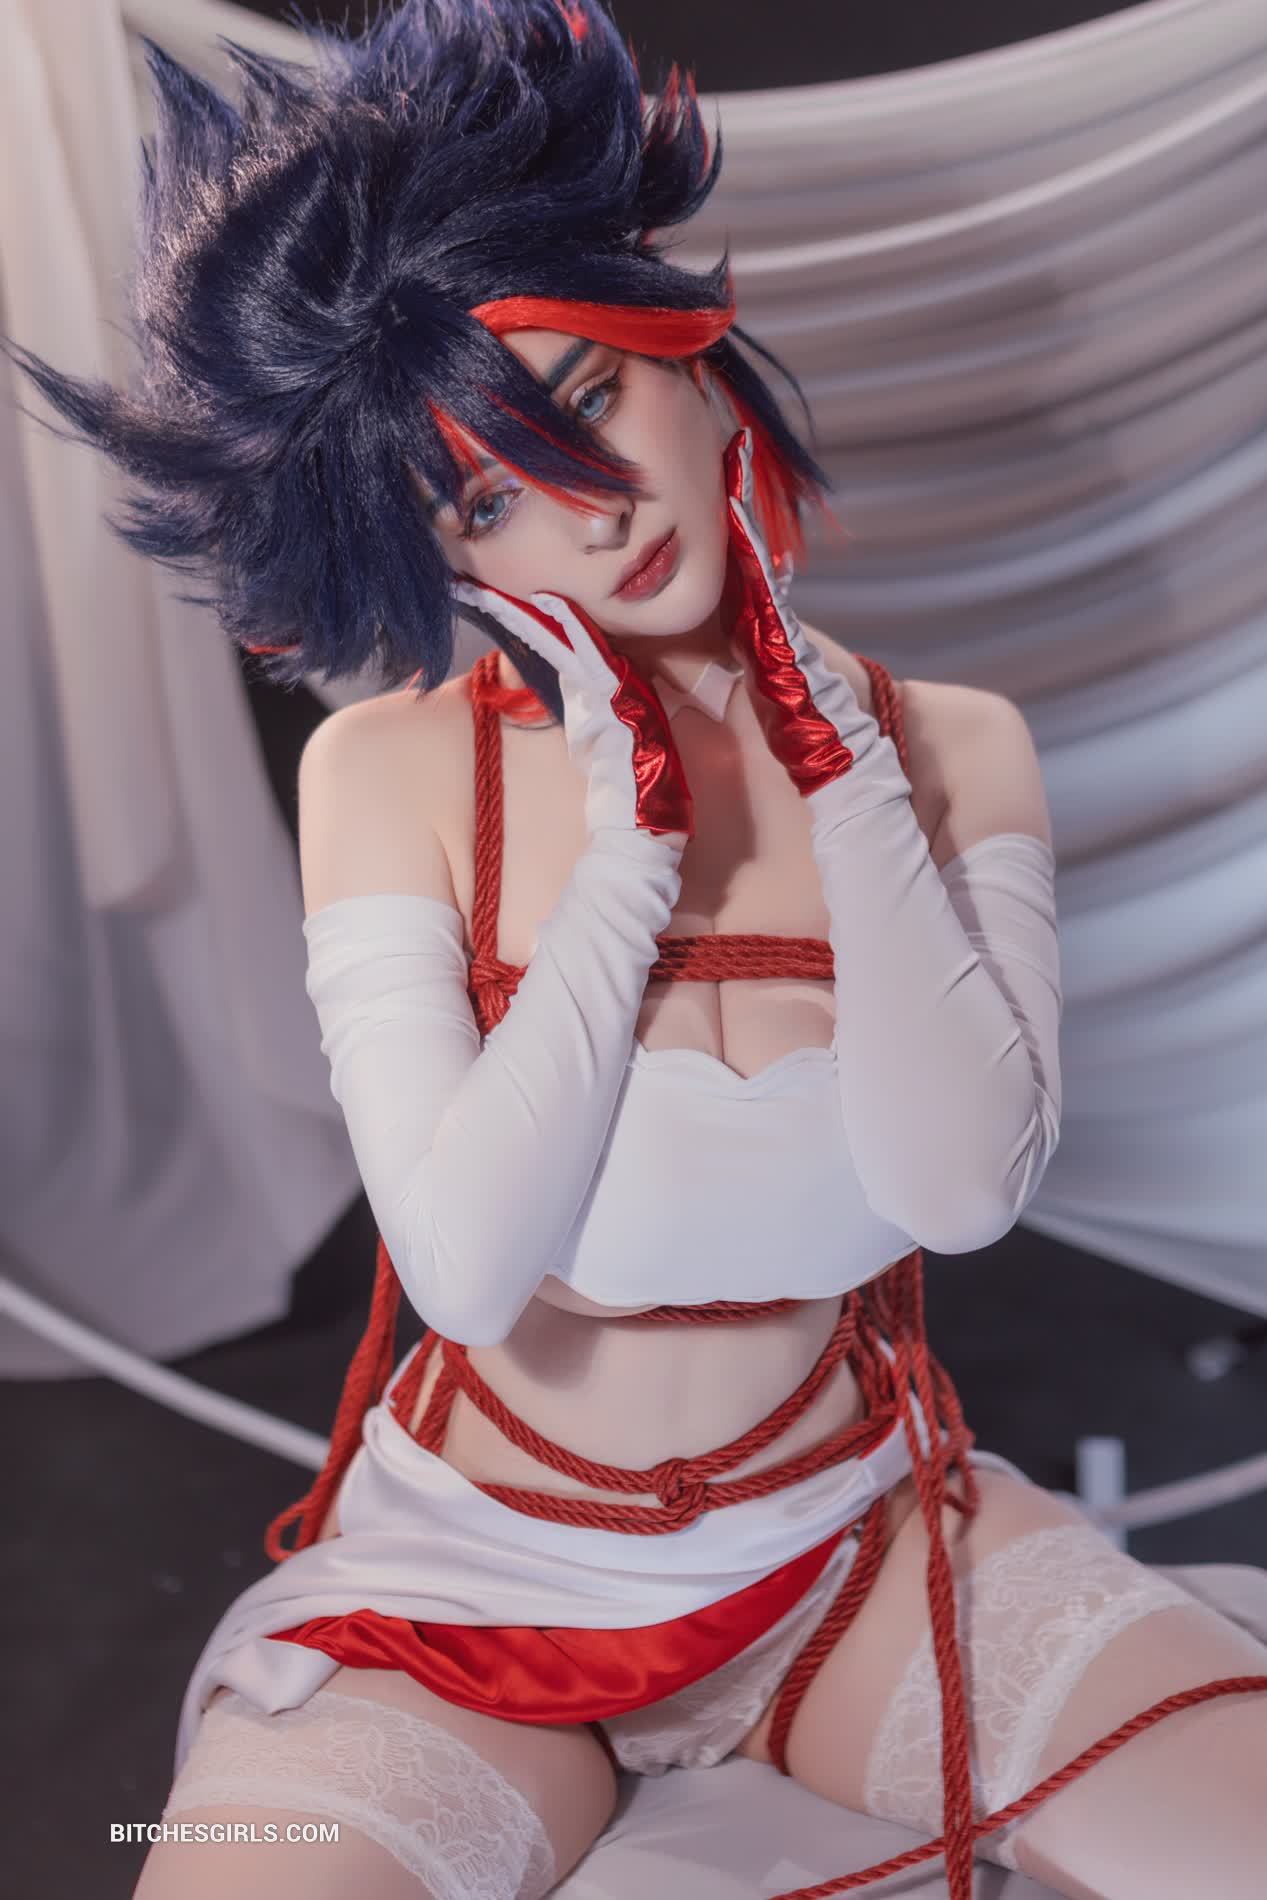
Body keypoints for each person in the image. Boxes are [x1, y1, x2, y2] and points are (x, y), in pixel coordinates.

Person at [7, 5, 1266, 1897]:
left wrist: (845, 779)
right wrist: (631, 860)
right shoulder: (392, 772)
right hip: (475, 1591)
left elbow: (958, 1191)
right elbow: (465, 1266)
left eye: (586, 400)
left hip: (857, 1549)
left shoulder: (953, 750)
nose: (586, 513)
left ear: (684, 345)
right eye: (486, 498)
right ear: (442, 560)